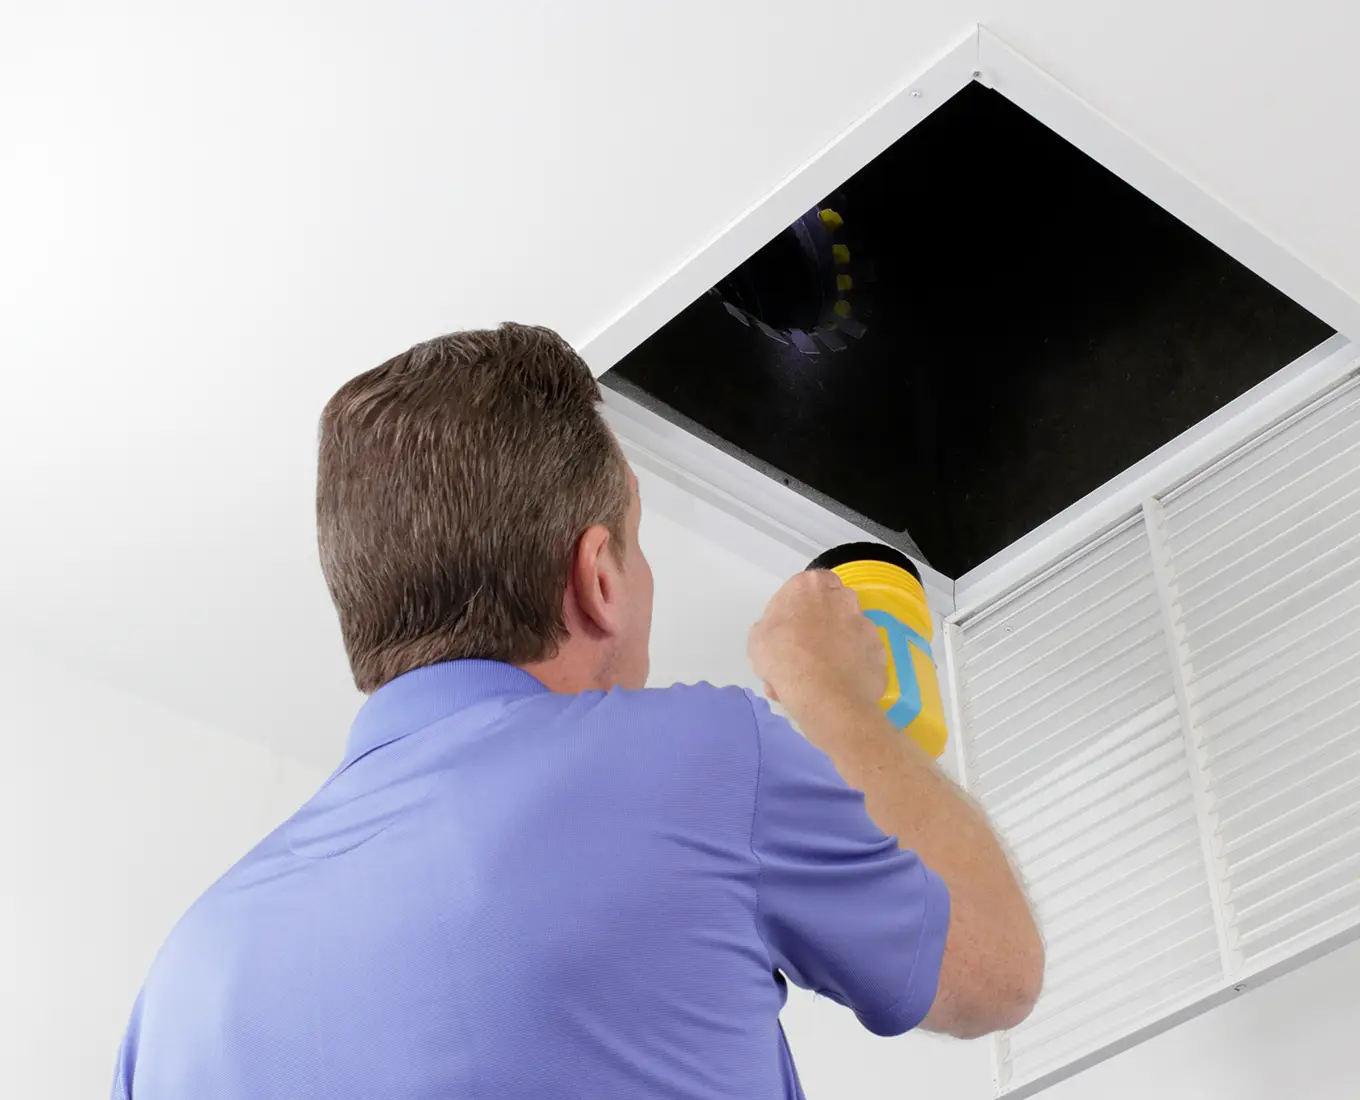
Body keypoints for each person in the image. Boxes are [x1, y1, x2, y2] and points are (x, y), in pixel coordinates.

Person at [111, 323, 1042, 1100]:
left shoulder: (178, 989)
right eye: (636, 548)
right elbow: (995, 972)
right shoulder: (697, 759)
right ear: (598, 578)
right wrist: (824, 682)